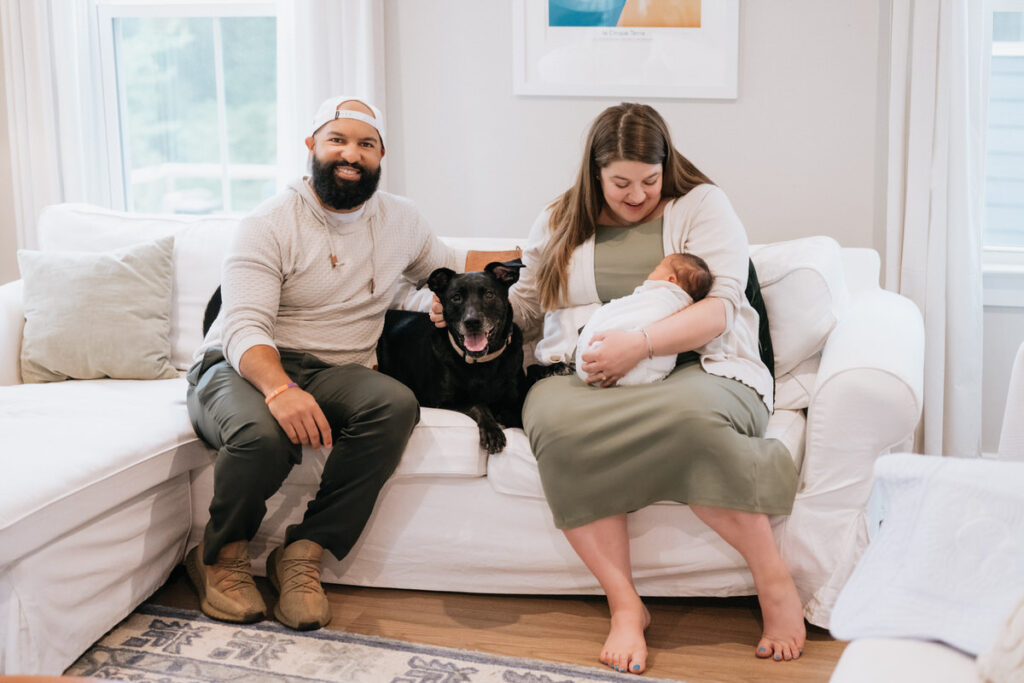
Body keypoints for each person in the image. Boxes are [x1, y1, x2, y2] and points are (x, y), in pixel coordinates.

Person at [504, 103, 803, 673]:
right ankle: (625, 606)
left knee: (693, 423)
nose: (636, 194)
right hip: (585, 370)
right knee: (560, 429)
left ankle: (775, 583)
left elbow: (720, 309)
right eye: (620, 182)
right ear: (594, 174)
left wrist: (639, 345)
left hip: (698, 364)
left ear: (667, 165)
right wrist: (461, 311)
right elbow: (527, 303)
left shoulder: (703, 205)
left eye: (649, 179)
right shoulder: (559, 219)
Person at [185, 96, 459, 631]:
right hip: (242, 362)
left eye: (366, 144)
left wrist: (451, 301)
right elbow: (244, 328)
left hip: (340, 368)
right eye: (337, 139)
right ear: (311, 146)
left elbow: (451, 276)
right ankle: (220, 555)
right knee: (263, 435)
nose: (350, 154)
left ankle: (303, 554)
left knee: (396, 404)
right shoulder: (268, 222)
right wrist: (281, 390)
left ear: (381, 157)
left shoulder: (403, 221)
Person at [533, 252, 713, 386]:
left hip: (634, 352)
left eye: (657, 269)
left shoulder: (665, 301)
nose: (651, 273)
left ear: (671, 280)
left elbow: (648, 315)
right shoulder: (677, 304)